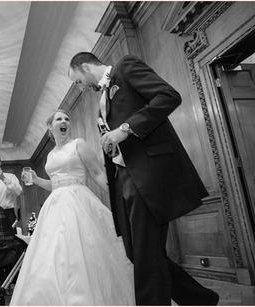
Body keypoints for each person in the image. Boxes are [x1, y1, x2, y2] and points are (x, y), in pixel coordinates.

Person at [68, 52, 219, 305]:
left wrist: (126, 129)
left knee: (146, 253)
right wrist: (112, 145)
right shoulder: (102, 100)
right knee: (136, 252)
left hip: (147, 175)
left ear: (84, 66)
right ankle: (200, 299)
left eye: (77, 81)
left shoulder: (125, 68)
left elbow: (169, 96)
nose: (80, 87)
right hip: (123, 178)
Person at [10, 110, 135, 305]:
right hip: (55, 206)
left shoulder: (79, 145)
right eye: (59, 119)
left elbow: (97, 173)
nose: (64, 121)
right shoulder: (50, 155)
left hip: (78, 202)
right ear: (50, 127)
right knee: (55, 255)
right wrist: (36, 180)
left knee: (83, 252)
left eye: (67, 119)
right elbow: (55, 184)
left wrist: (121, 198)